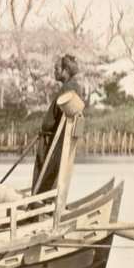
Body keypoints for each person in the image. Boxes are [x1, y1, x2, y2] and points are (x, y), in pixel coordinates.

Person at [32, 54, 82, 194]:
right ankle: (37, 207)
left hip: (54, 141)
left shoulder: (70, 88)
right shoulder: (66, 87)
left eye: (57, 69)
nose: (54, 72)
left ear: (66, 70)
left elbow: (68, 117)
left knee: (46, 177)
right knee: (42, 177)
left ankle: (41, 208)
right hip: (48, 138)